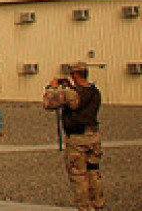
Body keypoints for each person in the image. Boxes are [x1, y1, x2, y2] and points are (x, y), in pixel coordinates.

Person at [42, 63, 104, 211]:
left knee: (78, 176)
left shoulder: (72, 94)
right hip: (93, 137)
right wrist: (70, 87)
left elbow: (48, 103)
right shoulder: (95, 92)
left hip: (77, 139)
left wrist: (51, 88)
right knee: (93, 173)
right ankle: (98, 204)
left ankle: (84, 207)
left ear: (75, 75)